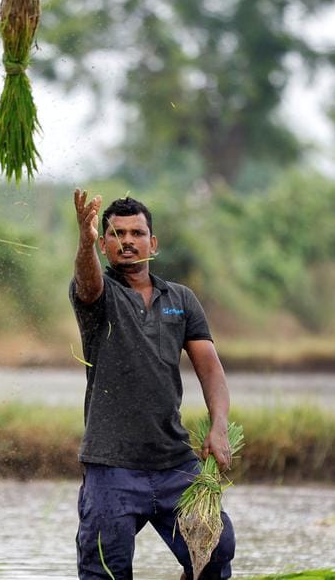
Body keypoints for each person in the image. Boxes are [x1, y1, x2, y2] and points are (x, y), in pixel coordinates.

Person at [70, 189, 235, 580]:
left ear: (152, 243)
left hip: (173, 461)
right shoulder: (100, 294)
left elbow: (210, 369)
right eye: (116, 234)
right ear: (105, 245)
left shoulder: (181, 299)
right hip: (112, 465)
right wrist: (84, 241)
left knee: (215, 549)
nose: (127, 241)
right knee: (105, 568)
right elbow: (88, 282)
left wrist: (219, 425)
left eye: (137, 233)